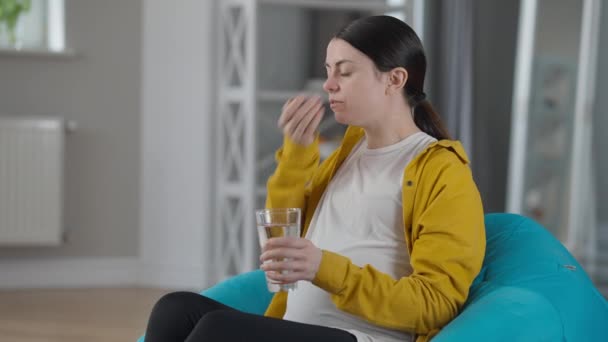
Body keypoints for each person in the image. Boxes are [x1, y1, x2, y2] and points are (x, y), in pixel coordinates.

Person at [144, 15, 485, 342]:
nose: (328, 85)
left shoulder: (440, 170)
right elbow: (281, 236)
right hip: (298, 327)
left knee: (217, 331)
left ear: (395, 79)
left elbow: (435, 304)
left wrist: (324, 267)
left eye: (345, 72)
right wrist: (296, 153)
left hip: (366, 336)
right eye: (328, 71)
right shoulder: (347, 153)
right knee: (175, 309)